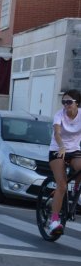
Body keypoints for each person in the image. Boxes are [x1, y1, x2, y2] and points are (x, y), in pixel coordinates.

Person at [46, 89, 81, 236]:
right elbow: (57, 133)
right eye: (63, 102)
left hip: (74, 150)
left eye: (69, 102)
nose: (66, 105)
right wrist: (61, 146)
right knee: (62, 185)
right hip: (57, 149)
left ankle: (76, 188)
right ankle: (53, 221)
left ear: (77, 104)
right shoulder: (59, 115)